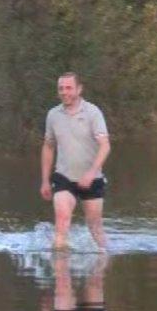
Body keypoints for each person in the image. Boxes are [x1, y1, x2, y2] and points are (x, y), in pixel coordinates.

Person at [40, 72, 111, 251]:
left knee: (95, 228)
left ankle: (103, 264)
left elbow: (105, 146)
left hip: (92, 179)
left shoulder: (93, 113)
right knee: (62, 220)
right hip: (63, 177)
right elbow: (48, 147)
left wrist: (92, 172)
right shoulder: (53, 115)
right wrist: (45, 180)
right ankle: (61, 276)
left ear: (79, 89)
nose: (64, 92)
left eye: (69, 88)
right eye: (61, 88)